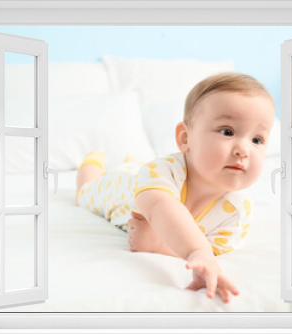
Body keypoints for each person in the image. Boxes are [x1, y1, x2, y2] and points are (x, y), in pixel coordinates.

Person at [76, 72, 275, 303]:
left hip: (144, 172)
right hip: (125, 185)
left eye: (257, 140)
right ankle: (92, 160)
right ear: (185, 138)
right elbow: (162, 207)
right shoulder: (163, 172)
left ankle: (132, 160)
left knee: (137, 166)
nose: (244, 149)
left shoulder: (238, 212)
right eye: (227, 132)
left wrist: (156, 246)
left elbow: (212, 249)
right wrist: (197, 252)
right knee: (85, 194)